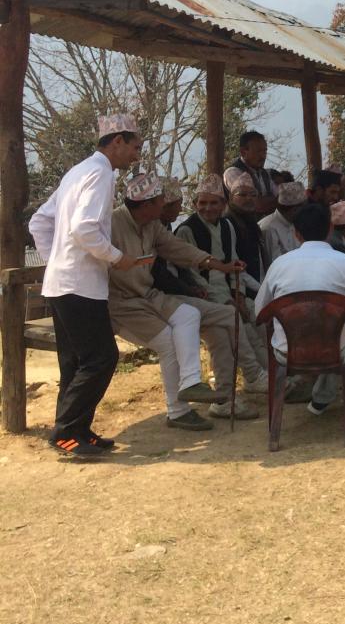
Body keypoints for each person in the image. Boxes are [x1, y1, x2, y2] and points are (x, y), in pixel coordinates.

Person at [28, 114, 144, 458]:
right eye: (135, 147)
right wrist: (116, 257)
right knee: (102, 358)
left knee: (76, 362)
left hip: (62, 282)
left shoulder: (77, 172)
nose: (136, 155)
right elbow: (84, 229)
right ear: (117, 141)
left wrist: (57, 261)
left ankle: (77, 431)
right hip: (81, 285)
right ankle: (65, 431)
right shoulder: (101, 173)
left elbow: (40, 221)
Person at [108, 173, 256, 429]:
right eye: (161, 201)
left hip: (149, 296)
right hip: (122, 303)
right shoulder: (111, 224)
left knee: (190, 315)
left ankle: (193, 384)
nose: (165, 206)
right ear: (147, 205)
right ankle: (178, 411)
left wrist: (218, 265)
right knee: (169, 342)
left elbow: (178, 250)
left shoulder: (153, 226)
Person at [255, 202, 345, 416]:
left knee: (331, 333)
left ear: (296, 234)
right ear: (330, 228)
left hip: (287, 351)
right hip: (338, 350)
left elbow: (260, 311)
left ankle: (323, 397)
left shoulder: (278, 265)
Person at [175, 174, 272, 397]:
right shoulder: (186, 230)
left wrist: (238, 295)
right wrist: (225, 299)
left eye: (213, 203)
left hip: (230, 289)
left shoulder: (227, 226)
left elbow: (234, 263)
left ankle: (272, 372)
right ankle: (254, 374)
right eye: (202, 203)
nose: (207, 208)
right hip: (206, 294)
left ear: (223, 204)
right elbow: (191, 274)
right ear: (194, 204)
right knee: (239, 324)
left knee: (259, 318)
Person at [224, 168, 268, 283]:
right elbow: (234, 265)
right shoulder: (227, 223)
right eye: (242, 194)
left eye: (253, 195)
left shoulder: (252, 222)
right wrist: (260, 289)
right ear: (231, 197)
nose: (249, 198)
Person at [229, 130, 277, 217]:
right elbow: (256, 205)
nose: (263, 156)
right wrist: (273, 200)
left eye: (265, 151)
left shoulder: (265, 174)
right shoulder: (233, 172)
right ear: (243, 152)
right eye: (258, 151)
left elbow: (280, 197)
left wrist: (271, 200)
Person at [260, 181, 307, 266]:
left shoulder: (294, 222)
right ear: (295, 210)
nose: (305, 212)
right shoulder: (269, 228)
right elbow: (274, 263)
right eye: (303, 208)